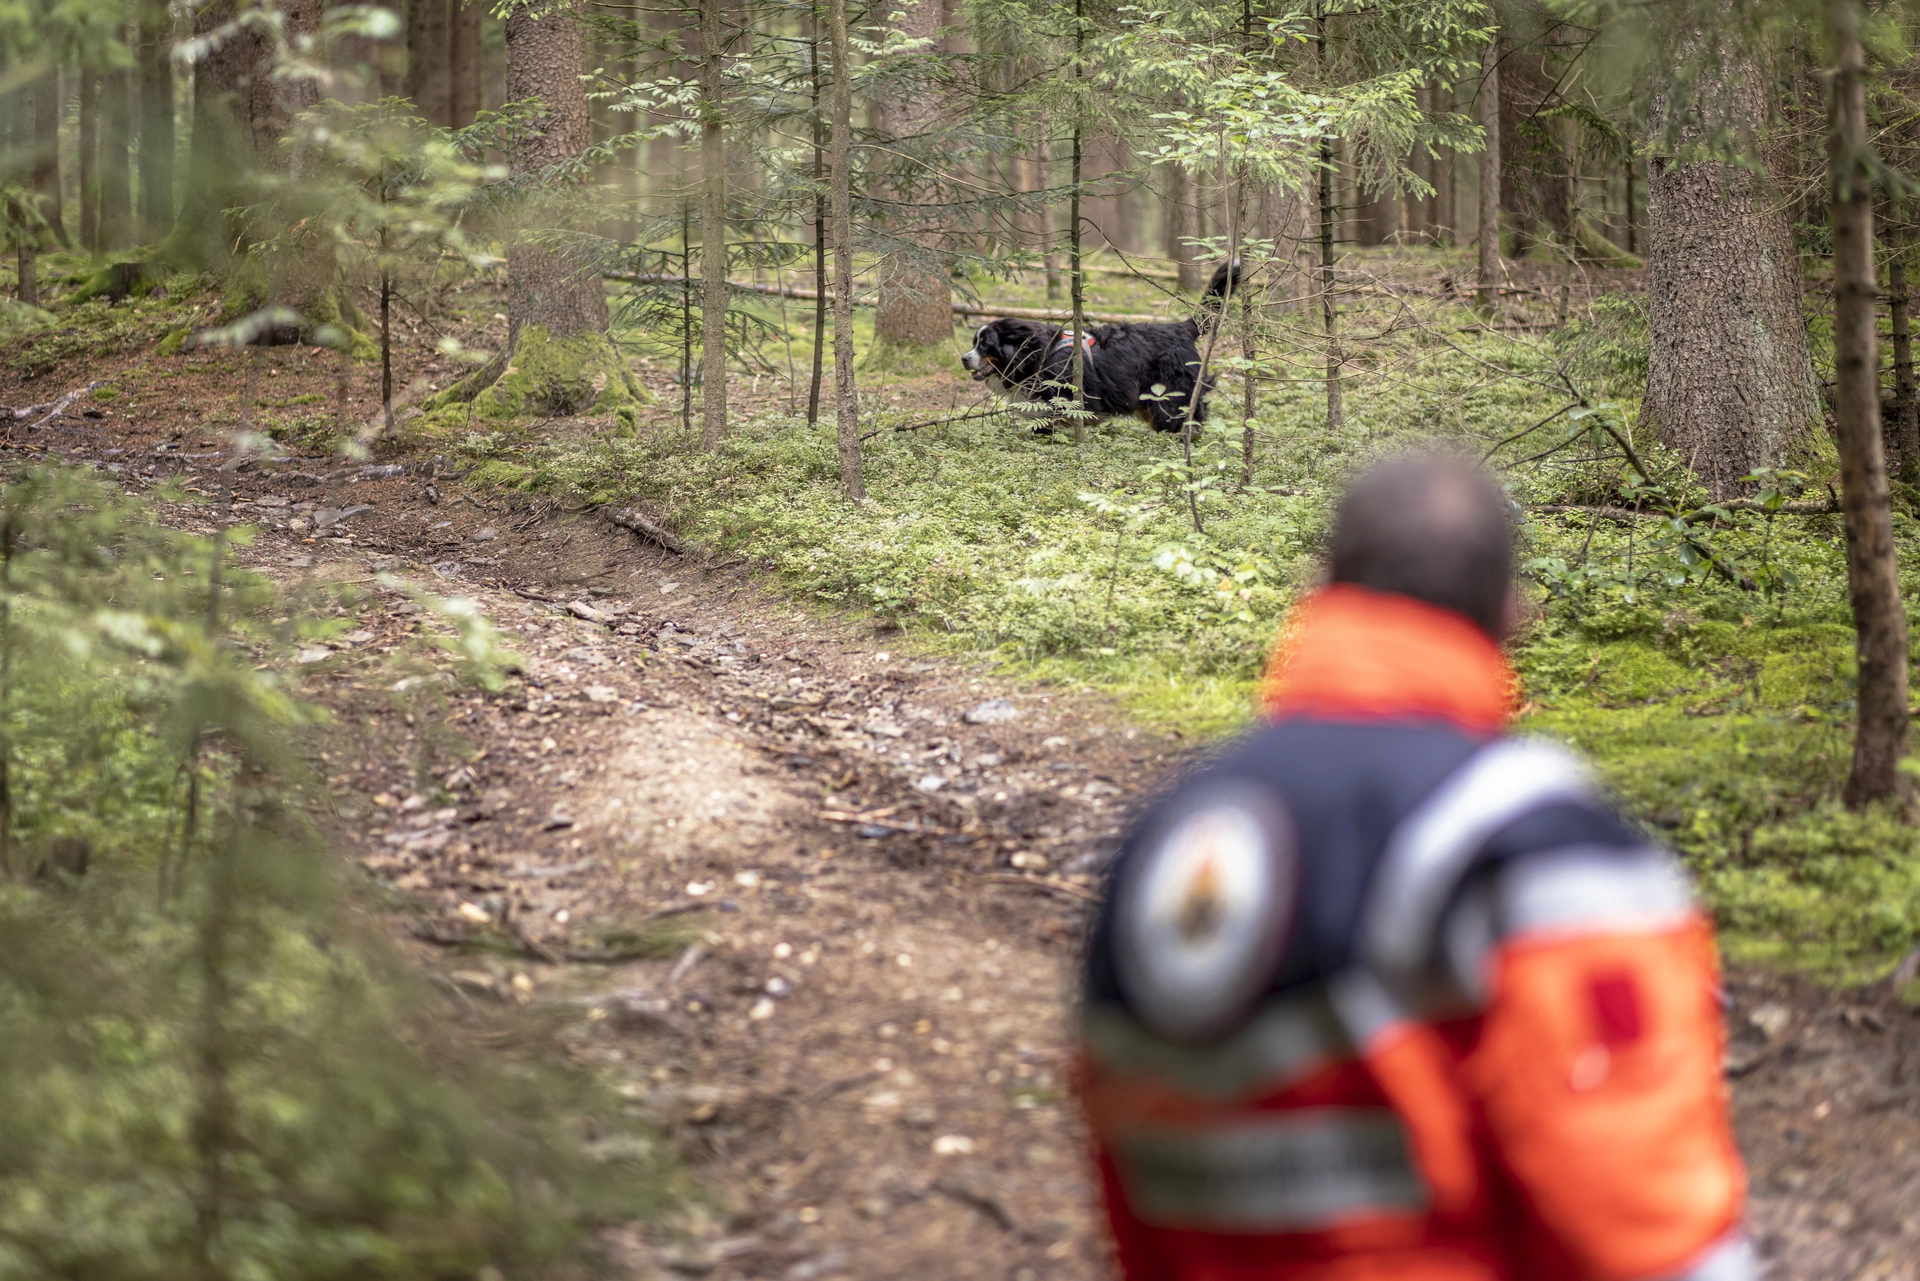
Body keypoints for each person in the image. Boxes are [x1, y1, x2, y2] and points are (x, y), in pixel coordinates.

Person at [1077, 454, 1753, 1281]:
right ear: (1510, 612)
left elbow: (1129, 1182)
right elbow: (1640, 1210)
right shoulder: (1530, 831)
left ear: (1321, 586)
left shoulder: (1168, 827)